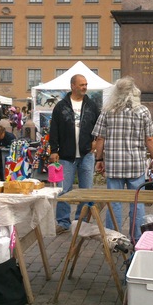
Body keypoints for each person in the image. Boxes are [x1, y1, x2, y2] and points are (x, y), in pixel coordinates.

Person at [93, 76, 153, 241]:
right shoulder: (142, 111)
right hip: (136, 164)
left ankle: (114, 238)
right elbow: (149, 139)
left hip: (114, 164)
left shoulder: (107, 111)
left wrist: (99, 160)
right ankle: (136, 237)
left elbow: (100, 138)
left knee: (114, 202)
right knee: (137, 203)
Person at [49, 74, 101, 234]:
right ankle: (63, 222)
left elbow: (99, 126)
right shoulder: (61, 106)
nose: (84, 87)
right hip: (66, 155)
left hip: (87, 154)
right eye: (81, 85)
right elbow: (54, 129)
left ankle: (81, 221)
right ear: (73, 86)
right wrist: (54, 150)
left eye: (86, 84)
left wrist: (95, 141)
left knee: (87, 190)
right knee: (65, 190)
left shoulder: (92, 105)